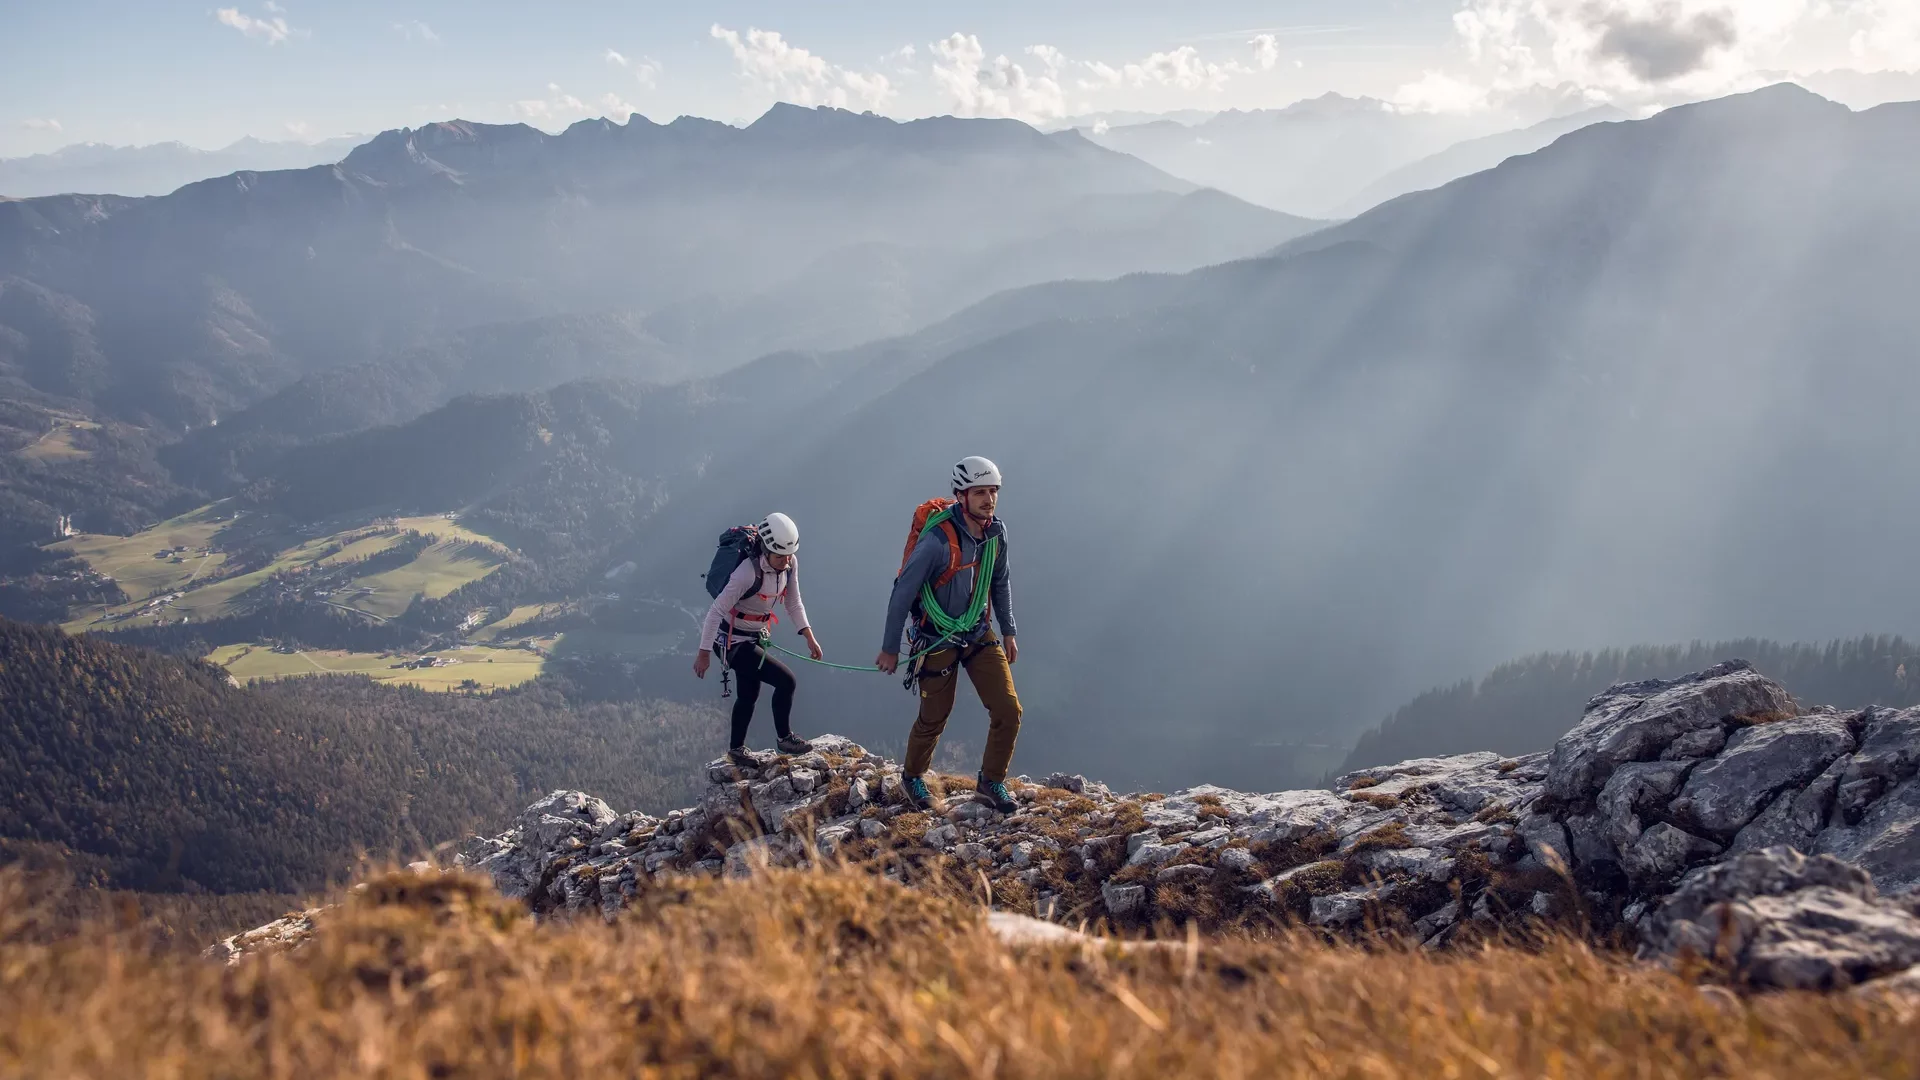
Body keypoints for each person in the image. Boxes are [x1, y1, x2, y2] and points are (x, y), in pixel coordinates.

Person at [876, 457, 1021, 814]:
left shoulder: (995, 534)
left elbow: (999, 582)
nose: (989, 500)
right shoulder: (938, 541)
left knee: (1008, 709)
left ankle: (991, 782)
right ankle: (912, 776)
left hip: (977, 632)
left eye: (993, 491)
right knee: (934, 716)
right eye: (981, 493)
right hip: (936, 637)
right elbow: (903, 592)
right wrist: (890, 648)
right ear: (961, 495)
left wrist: (1009, 631)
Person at [694, 512, 823, 765]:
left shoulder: (789, 563)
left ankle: (736, 750)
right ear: (765, 549)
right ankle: (785, 738)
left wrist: (809, 636)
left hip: (752, 636)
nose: (785, 562)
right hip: (730, 640)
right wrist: (704, 653)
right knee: (787, 681)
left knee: (749, 693)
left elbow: (793, 602)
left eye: (788, 556)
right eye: (779, 557)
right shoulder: (746, 573)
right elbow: (715, 612)